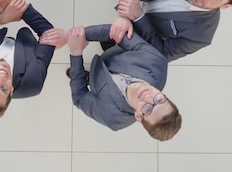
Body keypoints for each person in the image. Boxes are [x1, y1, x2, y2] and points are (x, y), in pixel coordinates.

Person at [53, 18, 181, 141]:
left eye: (147, 109)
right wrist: (70, 36)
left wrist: (76, 53)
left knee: (82, 78)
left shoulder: (111, 117)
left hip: (98, 81)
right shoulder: (156, 62)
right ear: (164, 96)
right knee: (114, 38)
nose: (148, 97)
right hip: (116, 54)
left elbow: (79, 97)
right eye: (159, 99)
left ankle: (88, 77)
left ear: (138, 116)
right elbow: (114, 31)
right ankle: (108, 48)